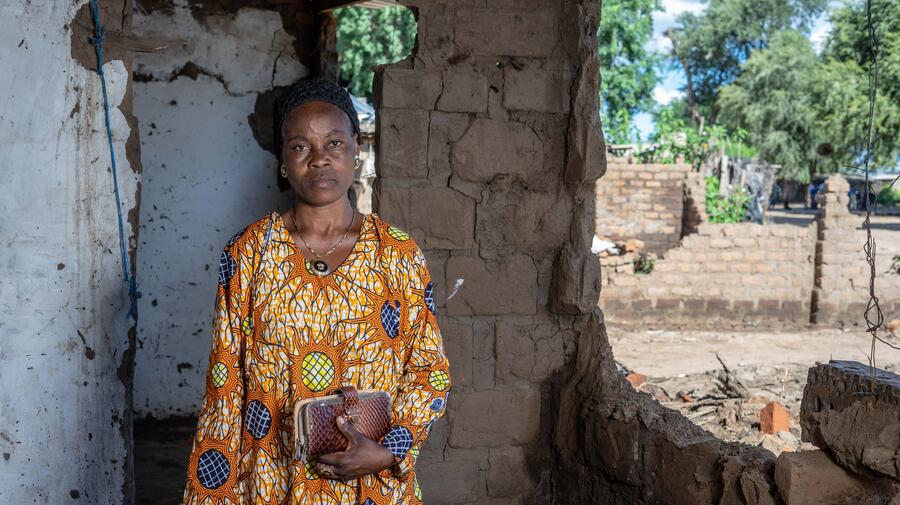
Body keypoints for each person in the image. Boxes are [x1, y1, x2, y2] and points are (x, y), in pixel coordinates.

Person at [182, 78, 451, 505]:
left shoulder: (397, 253)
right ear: (283, 161)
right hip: (273, 483)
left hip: (370, 487)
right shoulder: (249, 252)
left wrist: (388, 450)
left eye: (335, 143)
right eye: (301, 146)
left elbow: (430, 372)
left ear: (356, 151)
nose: (320, 159)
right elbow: (225, 386)